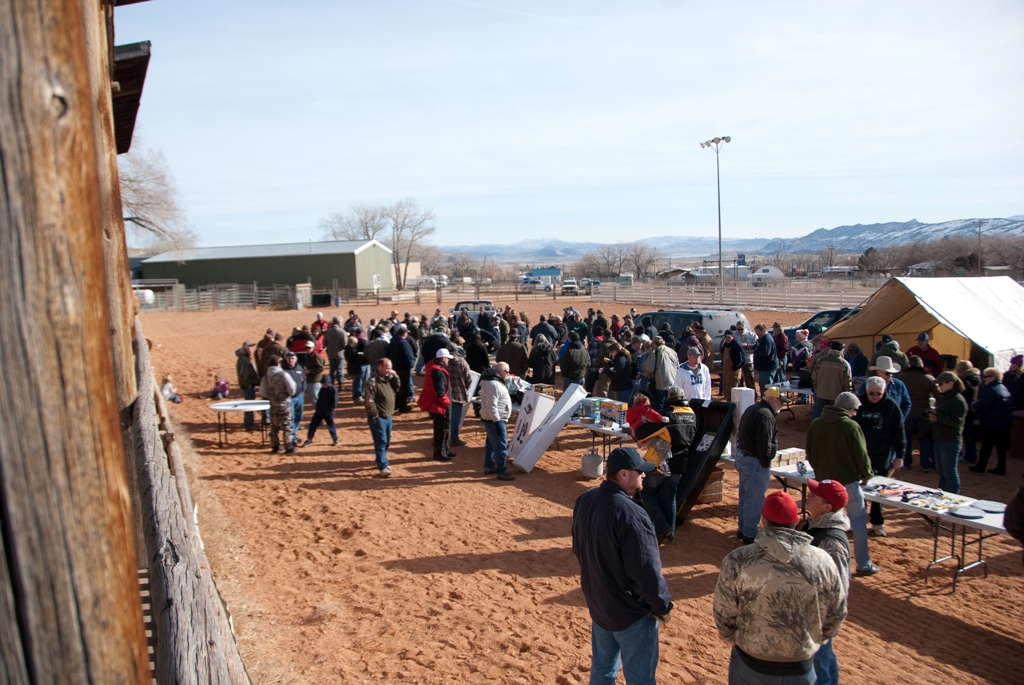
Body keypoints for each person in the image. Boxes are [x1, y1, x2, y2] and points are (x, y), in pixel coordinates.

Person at [713, 491, 847, 685]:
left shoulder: (738, 559)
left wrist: (736, 638)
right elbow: (836, 611)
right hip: (800, 664)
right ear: (795, 522)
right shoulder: (822, 560)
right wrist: (816, 640)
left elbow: (724, 612)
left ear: (764, 520)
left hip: (751, 662)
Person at [572, 447, 673, 685]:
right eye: (640, 472)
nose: (644, 476)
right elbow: (645, 569)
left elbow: (579, 547)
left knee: (602, 671)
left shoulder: (585, 500)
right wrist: (662, 605)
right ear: (624, 475)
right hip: (630, 612)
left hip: (599, 604)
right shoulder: (631, 514)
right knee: (640, 679)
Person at [806, 392, 878, 575]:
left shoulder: (816, 423)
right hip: (848, 484)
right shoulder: (851, 426)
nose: (855, 413)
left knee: (824, 523)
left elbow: (810, 453)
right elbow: (861, 455)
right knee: (858, 521)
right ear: (848, 408)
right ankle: (864, 564)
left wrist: (821, 473)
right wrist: (866, 475)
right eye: (854, 410)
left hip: (824, 485)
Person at [801, 480, 851, 685]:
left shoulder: (832, 542)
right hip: (811, 609)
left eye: (815, 495)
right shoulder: (814, 525)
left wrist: (825, 620)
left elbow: (839, 585)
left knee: (819, 665)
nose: (809, 495)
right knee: (824, 660)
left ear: (827, 507)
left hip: (819, 615)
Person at [639, 387, 696, 544]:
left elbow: (643, 433)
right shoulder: (692, 415)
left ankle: (662, 528)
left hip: (661, 461)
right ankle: (670, 534)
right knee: (670, 497)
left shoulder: (667, 415)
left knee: (647, 493)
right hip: (680, 462)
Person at [854, 376, 906, 537]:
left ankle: (877, 522)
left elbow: (899, 433)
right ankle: (857, 520)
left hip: (882, 453)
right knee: (858, 488)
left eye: (878, 393)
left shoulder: (891, 406)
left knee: (878, 490)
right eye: (871, 393)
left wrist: (900, 456)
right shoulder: (858, 403)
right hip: (860, 452)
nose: (875, 396)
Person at [735, 386, 783, 544]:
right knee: (754, 500)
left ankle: (743, 529)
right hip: (754, 461)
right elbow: (765, 444)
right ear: (770, 399)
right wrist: (766, 462)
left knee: (745, 497)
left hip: (744, 457)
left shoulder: (753, 408)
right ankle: (750, 535)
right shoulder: (766, 415)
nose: (781, 404)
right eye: (779, 401)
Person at [897, 355, 939, 471]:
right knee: (924, 439)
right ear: (921, 365)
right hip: (923, 415)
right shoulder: (929, 378)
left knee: (907, 439)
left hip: (907, 413)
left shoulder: (901, 377)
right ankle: (925, 464)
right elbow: (938, 396)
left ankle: (906, 462)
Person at [970, 367, 1015, 475]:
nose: (984, 379)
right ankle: (1001, 467)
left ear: (992, 377)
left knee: (986, 446)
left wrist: (974, 405)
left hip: (992, 423)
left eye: (985, 377)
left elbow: (983, 406)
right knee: (1001, 447)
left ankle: (980, 466)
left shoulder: (991, 390)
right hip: (1004, 422)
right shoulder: (1003, 388)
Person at [930, 371, 968, 494]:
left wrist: (938, 417)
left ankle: (951, 497)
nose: (938, 386)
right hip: (940, 437)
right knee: (942, 472)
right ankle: (942, 494)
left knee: (949, 473)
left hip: (950, 440)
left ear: (950, 383)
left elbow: (957, 421)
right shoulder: (945, 398)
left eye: (941, 384)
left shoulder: (958, 400)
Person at [479, 362, 516, 481]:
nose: (508, 374)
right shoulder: (493, 384)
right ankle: (502, 471)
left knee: (491, 444)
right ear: (500, 371)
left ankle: (489, 466)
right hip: (494, 420)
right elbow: (491, 406)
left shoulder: (492, 382)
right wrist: (498, 422)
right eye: (507, 372)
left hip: (492, 419)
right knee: (501, 446)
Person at [364, 358, 400, 477]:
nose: (389, 370)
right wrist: (375, 414)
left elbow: (397, 388)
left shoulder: (388, 379)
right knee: (381, 440)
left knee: (387, 440)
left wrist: (395, 377)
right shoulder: (372, 382)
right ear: (379, 367)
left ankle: (381, 459)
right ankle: (383, 465)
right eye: (387, 368)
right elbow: (369, 400)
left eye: (390, 367)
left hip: (388, 415)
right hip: (378, 416)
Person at [419, 349, 455, 462]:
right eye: (448, 358)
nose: (448, 361)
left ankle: (445, 450)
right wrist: (447, 403)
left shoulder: (435, 369)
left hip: (438, 404)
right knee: (442, 429)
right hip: (440, 405)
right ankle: (440, 453)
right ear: (443, 358)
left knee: (444, 428)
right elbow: (439, 392)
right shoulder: (438, 372)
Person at [260, 355, 296, 454]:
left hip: (273, 403)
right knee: (287, 425)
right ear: (278, 364)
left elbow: (262, 391)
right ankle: (289, 447)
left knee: (274, 425)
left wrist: (272, 396)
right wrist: (286, 395)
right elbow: (292, 389)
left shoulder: (265, 377)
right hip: (284, 403)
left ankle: (275, 446)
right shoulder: (283, 374)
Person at [811, 340, 852, 420]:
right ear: (841, 350)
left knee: (819, 416)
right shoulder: (844, 364)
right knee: (833, 418)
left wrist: (817, 389)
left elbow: (814, 377)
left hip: (821, 394)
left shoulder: (821, 360)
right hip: (836, 395)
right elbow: (847, 382)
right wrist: (847, 393)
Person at [862, 356, 911, 421]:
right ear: (878, 372)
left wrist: (900, 419)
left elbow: (907, 404)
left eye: (891, 373)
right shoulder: (867, 384)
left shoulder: (899, 385)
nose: (890, 375)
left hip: (893, 424)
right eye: (887, 373)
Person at [642, 337, 679, 413]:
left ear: (654, 344)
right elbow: (677, 366)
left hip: (661, 384)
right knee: (670, 406)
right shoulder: (672, 351)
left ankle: (660, 423)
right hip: (673, 382)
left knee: (659, 407)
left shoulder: (656, 352)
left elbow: (648, 367)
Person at [446, 344, 473, 448]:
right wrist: (464, 388)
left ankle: (445, 437)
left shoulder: (445, 362)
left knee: (446, 416)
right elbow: (469, 379)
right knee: (455, 417)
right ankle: (454, 438)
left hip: (446, 394)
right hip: (458, 394)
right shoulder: (462, 362)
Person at [956, 360, 982, 464]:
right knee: (969, 435)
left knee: (964, 435)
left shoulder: (964, 382)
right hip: (972, 410)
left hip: (965, 410)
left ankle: (968, 456)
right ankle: (970, 456)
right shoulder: (976, 379)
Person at [302, 375, 338, 447]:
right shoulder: (322, 389)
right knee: (313, 425)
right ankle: (309, 439)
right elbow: (319, 399)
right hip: (319, 411)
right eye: (323, 384)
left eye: (325, 384)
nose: (324, 385)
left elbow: (334, 402)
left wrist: (330, 410)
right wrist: (318, 408)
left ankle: (335, 439)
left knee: (331, 426)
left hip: (328, 412)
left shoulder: (333, 390)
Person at [387, 324, 416, 413]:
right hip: (404, 368)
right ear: (404, 333)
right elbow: (409, 356)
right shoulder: (404, 343)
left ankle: (396, 404)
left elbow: (388, 353)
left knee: (397, 386)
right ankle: (402, 406)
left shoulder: (393, 341)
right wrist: (411, 365)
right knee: (404, 387)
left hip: (395, 367)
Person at [235, 341, 260, 429]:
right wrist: (248, 384)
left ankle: (249, 423)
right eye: (249, 346)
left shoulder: (246, 357)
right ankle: (249, 424)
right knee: (249, 405)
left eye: (252, 346)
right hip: (248, 386)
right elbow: (243, 374)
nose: (251, 348)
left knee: (250, 404)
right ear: (245, 347)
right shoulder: (244, 359)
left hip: (250, 385)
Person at [282, 352, 306, 439]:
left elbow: (304, 380)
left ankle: (294, 433)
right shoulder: (283, 370)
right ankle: (293, 437)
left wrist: (303, 390)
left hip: (299, 396)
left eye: (293, 358)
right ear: (286, 359)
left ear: (296, 359)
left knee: (298, 416)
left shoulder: (299, 368)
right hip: (289, 398)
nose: (291, 360)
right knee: (291, 417)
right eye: (289, 358)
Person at [322, 317, 348, 387]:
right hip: (340, 354)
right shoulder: (342, 332)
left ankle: (331, 384)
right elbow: (345, 344)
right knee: (340, 369)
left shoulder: (327, 332)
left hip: (331, 354)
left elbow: (325, 343)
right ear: (339, 322)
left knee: (332, 370)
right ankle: (340, 385)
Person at [735, 321, 758, 397]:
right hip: (738, 361)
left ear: (745, 328)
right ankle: (740, 396)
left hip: (748, 360)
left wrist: (748, 346)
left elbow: (757, 345)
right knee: (738, 379)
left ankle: (752, 395)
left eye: (741, 329)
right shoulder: (734, 335)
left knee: (749, 379)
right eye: (738, 329)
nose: (740, 331)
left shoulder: (751, 335)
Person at [721, 330, 745, 400]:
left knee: (731, 393)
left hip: (733, 372)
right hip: (725, 371)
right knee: (725, 390)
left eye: (729, 337)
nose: (727, 339)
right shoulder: (725, 344)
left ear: (733, 337)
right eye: (726, 337)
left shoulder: (736, 345)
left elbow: (742, 360)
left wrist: (734, 368)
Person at [344, 335, 369, 402]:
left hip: (351, 368)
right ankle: (357, 397)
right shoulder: (353, 351)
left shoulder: (347, 349)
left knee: (356, 382)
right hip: (356, 368)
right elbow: (358, 359)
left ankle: (357, 396)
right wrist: (363, 356)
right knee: (358, 383)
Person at [304, 340, 325, 407]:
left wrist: (310, 371)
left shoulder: (316, 356)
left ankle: (320, 414)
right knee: (313, 399)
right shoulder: (308, 356)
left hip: (315, 381)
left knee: (316, 399)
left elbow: (320, 368)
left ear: (313, 348)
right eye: (306, 348)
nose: (307, 349)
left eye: (309, 348)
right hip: (309, 380)